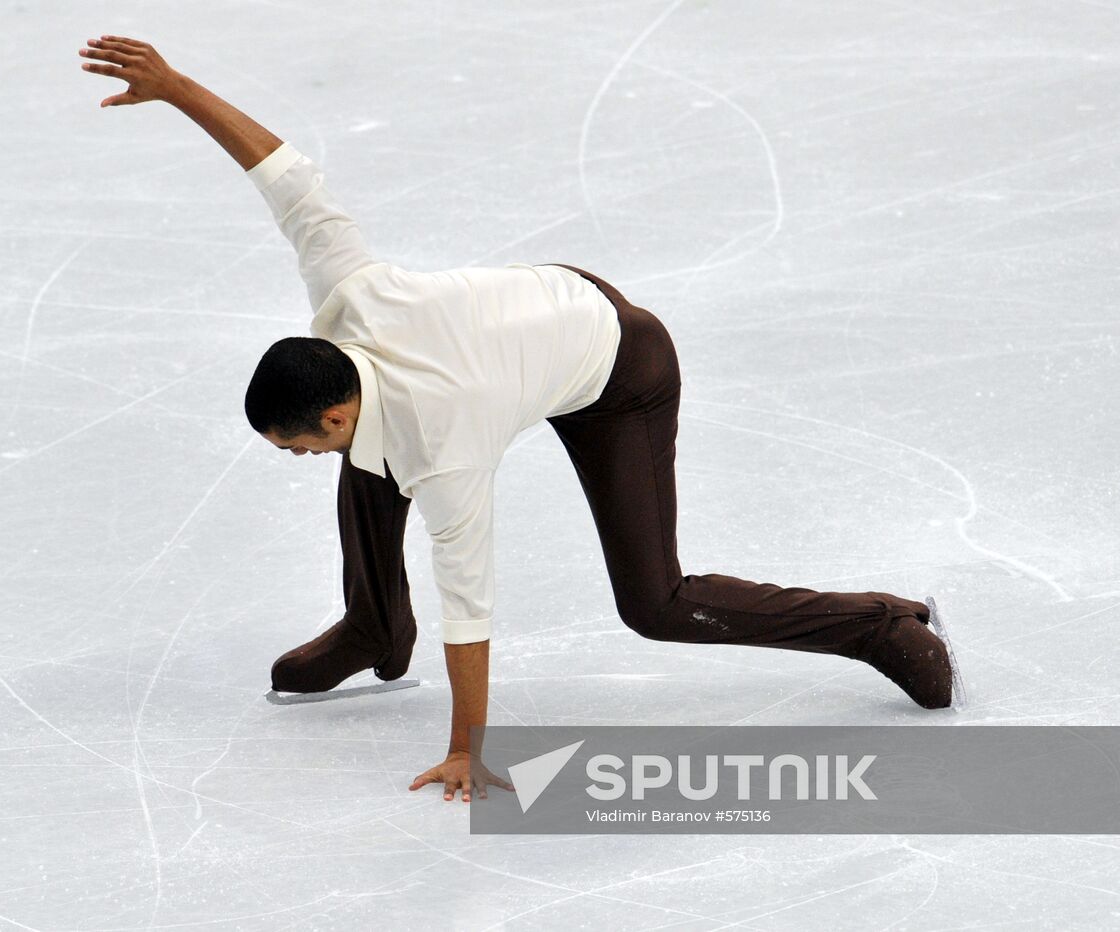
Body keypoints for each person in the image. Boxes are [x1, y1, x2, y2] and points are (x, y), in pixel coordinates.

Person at [79, 35, 956, 804]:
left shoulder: (444, 443)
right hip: (533, 318)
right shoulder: (348, 299)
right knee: (372, 464)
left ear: (336, 404)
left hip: (618, 366)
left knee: (656, 601)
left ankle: (880, 623)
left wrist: (467, 747)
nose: (299, 455)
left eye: (301, 441)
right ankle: (376, 628)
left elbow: (472, 604)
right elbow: (290, 183)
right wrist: (176, 85)